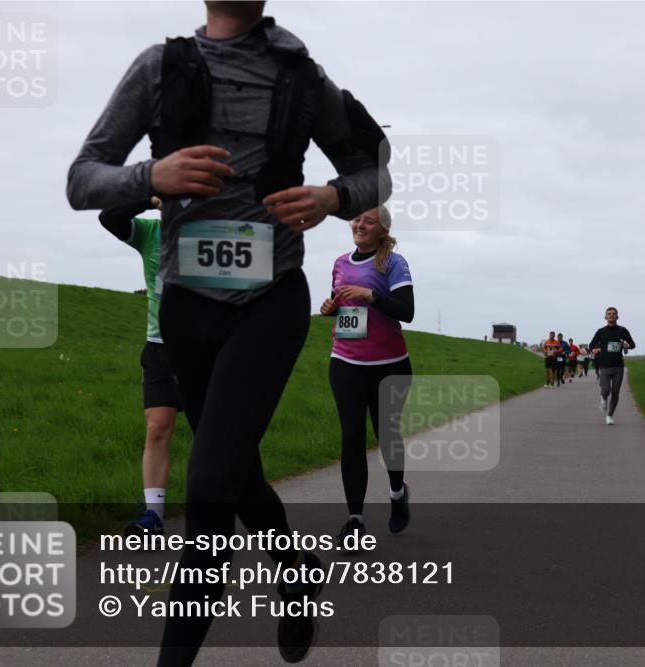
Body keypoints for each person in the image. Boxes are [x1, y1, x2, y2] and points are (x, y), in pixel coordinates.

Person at [66, 2, 389, 663]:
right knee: (237, 473)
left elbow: (374, 168)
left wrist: (331, 197)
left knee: (210, 486)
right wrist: (148, 176)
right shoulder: (159, 68)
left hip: (269, 301)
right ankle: (297, 571)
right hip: (186, 309)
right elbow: (81, 179)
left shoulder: (302, 76)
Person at [320, 205, 413, 550]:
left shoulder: (393, 263)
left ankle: (397, 492)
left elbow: (408, 311)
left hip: (389, 364)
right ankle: (355, 520)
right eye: (356, 219)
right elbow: (340, 305)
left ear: (382, 230)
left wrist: (371, 296)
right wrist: (330, 308)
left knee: (387, 435)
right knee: (352, 437)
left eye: (368, 220)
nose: (359, 224)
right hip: (345, 361)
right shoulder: (340, 263)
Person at [99, 197, 181, 537]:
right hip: (160, 346)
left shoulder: (211, 234)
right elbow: (110, 215)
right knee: (157, 428)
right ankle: (153, 515)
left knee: (216, 434)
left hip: (205, 350)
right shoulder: (150, 232)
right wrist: (149, 195)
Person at [589, 307, 636, 425]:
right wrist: (594, 350)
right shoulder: (601, 331)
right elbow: (591, 345)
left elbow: (633, 344)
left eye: (614, 314)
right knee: (606, 390)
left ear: (617, 317)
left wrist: (627, 345)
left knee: (615, 392)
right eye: (609, 314)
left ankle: (609, 416)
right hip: (604, 365)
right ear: (605, 317)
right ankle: (603, 398)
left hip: (618, 366)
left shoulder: (622, 330)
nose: (611, 315)